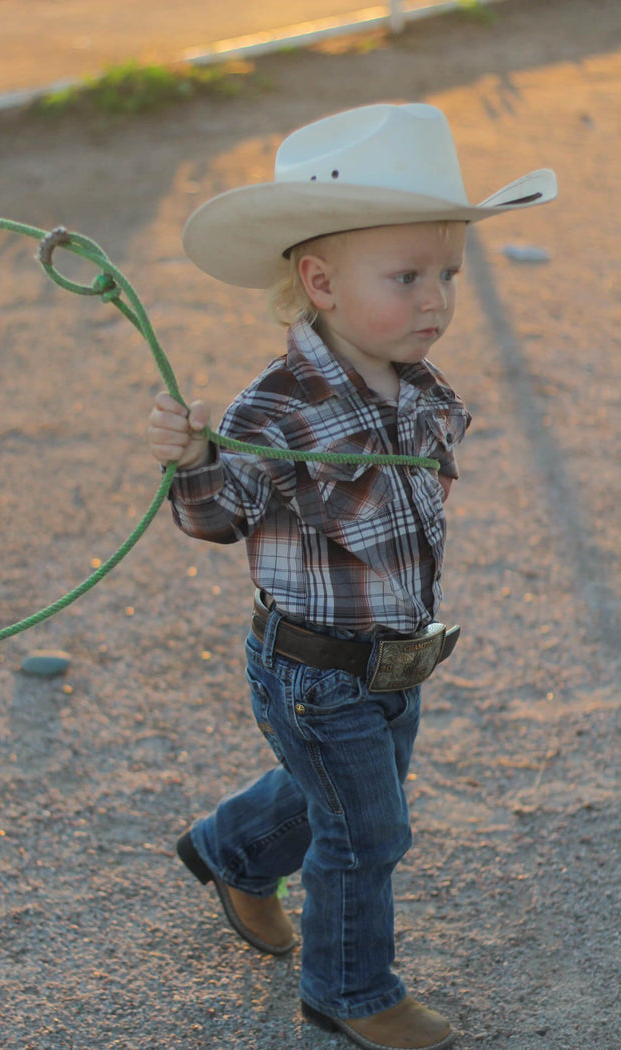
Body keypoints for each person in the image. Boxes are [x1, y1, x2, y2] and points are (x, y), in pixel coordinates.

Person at [147, 103, 556, 1050]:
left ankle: (231, 853)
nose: (436, 301)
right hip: (314, 669)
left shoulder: (418, 386)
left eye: (447, 274)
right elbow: (213, 518)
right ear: (320, 282)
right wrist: (191, 458)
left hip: (390, 659)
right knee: (368, 831)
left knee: (337, 792)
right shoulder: (277, 410)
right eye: (407, 277)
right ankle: (349, 988)